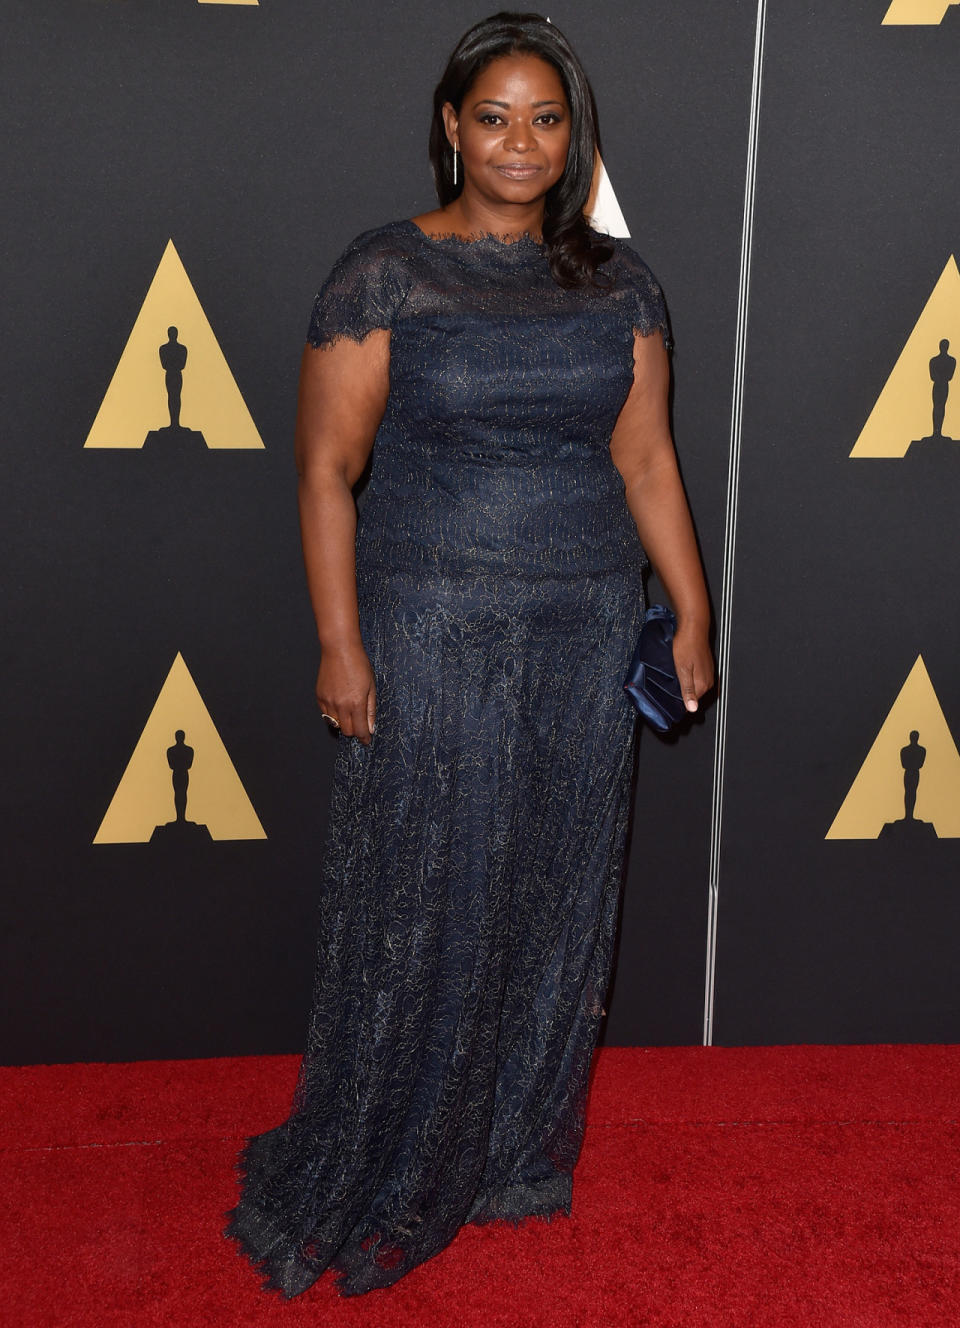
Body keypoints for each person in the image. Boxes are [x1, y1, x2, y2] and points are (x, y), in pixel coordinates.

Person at [224, 10, 713, 1300]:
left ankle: (510, 1154)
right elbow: (327, 471)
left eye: (544, 119)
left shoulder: (620, 282)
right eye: (492, 116)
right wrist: (342, 643)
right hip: (429, 619)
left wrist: (692, 610)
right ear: (449, 127)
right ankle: (392, 1145)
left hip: (583, 619)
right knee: (426, 886)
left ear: (575, 136)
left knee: (556, 886)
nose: (518, 142)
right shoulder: (386, 271)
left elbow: (647, 456)